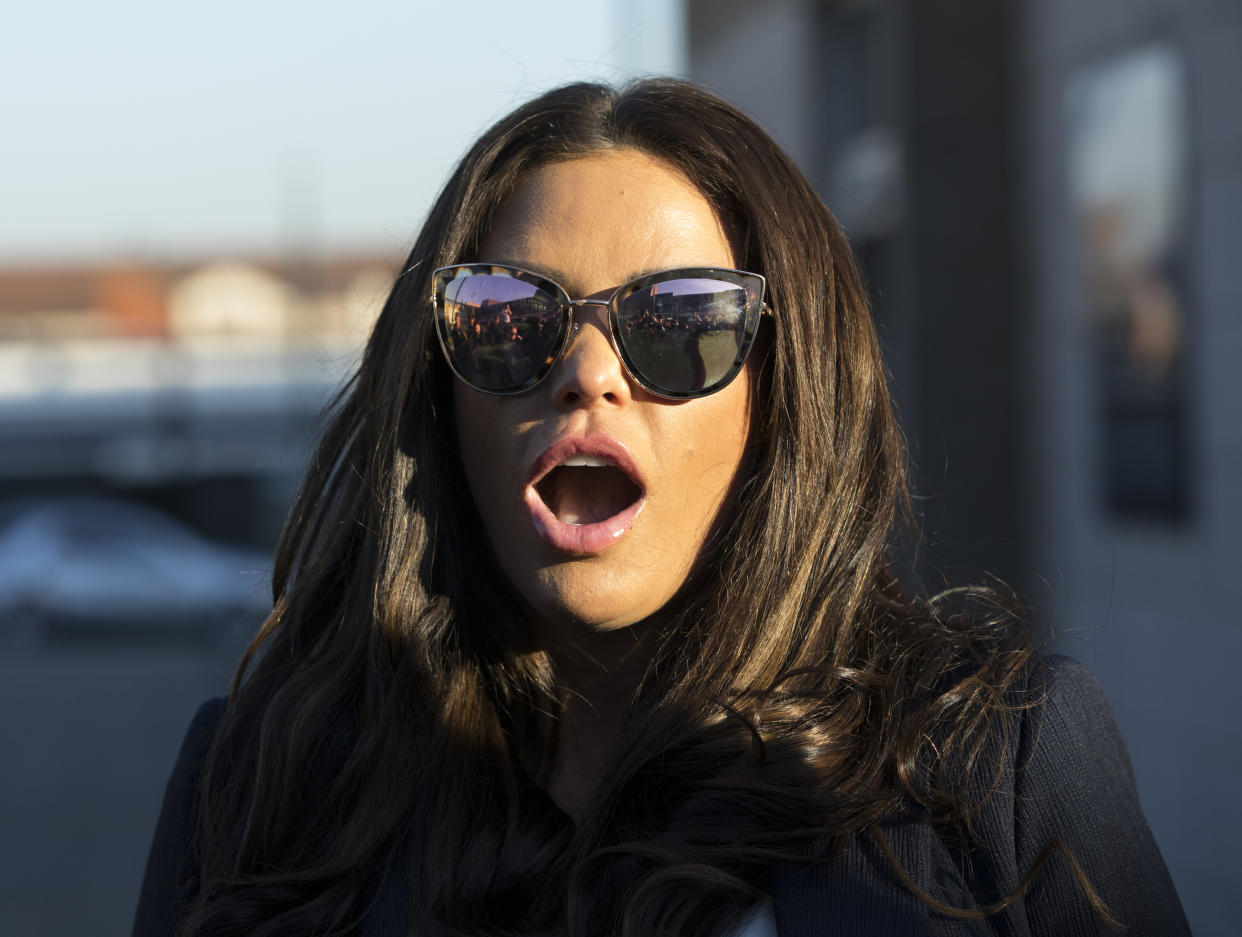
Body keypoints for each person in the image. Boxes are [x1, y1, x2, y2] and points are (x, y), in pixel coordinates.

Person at [133, 79, 1190, 937]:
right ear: (437, 390)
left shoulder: (994, 769)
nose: (588, 371)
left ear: (784, 394)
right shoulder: (258, 782)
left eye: (683, 319)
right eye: (509, 316)